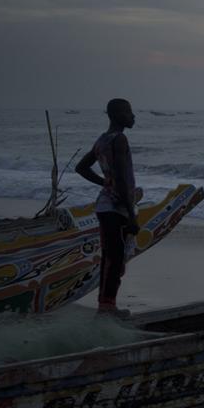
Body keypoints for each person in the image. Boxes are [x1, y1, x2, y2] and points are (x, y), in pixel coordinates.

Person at [75, 98, 140, 316]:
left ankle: (107, 305)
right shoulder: (119, 139)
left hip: (107, 205)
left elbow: (81, 168)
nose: (133, 116)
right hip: (115, 208)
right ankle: (106, 307)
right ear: (117, 114)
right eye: (129, 112)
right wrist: (132, 215)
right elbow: (121, 177)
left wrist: (104, 183)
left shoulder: (102, 140)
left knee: (112, 257)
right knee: (115, 258)